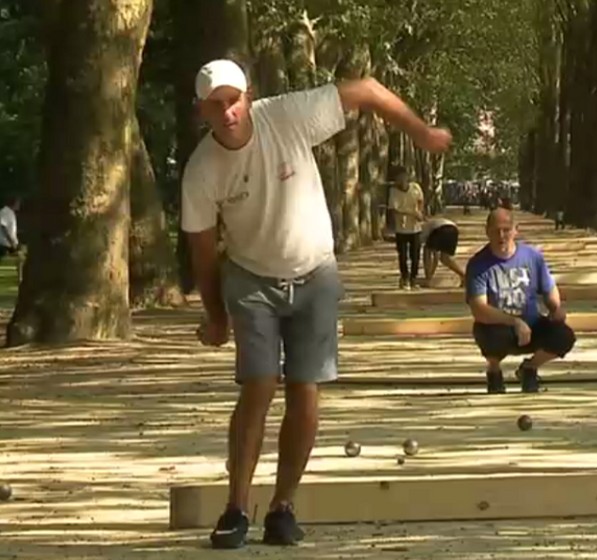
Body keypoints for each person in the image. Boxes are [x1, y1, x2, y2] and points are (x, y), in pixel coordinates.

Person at [181, 58, 451, 549]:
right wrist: (216, 317)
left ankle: (282, 507)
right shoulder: (202, 170)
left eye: (234, 101)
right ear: (202, 111)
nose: (228, 113)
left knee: (305, 389)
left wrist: (421, 132)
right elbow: (202, 251)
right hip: (251, 279)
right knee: (259, 385)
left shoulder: (287, 115)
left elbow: (367, 89)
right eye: (215, 106)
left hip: (316, 274)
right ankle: (236, 509)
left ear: (248, 96)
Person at [466, 208, 576, 395]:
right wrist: (515, 322)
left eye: (506, 230)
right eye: (496, 231)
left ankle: (529, 368)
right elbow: (479, 309)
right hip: (498, 328)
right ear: (487, 232)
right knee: (488, 334)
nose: (501, 236)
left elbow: (549, 291)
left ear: (516, 230)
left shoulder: (532, 257)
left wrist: (556, 309)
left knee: (564, 336)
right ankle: (494, 371)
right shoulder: (478, 264)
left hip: (532, 325)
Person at [388, 166, 424, 290]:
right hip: (401, 228)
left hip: (415, 228)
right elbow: (394, 209)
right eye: (399, 178)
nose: (402, 180)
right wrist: (410, 213)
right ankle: (404, 277)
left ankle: (414, 278)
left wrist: (419, 212)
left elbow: (420, 200)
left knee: (415, 255)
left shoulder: (415, 188)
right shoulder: (393, 191)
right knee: (403, 255)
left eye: (404, 177)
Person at [420, 216, 465, 287]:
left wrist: (429, 276)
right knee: (445, 258)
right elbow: (436, 258)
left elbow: (434, 257)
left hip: (441, 228)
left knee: (426, 250)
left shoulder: (421, 232)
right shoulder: (428, 227)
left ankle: (427, 279)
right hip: (453, 229)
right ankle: (463, 275)